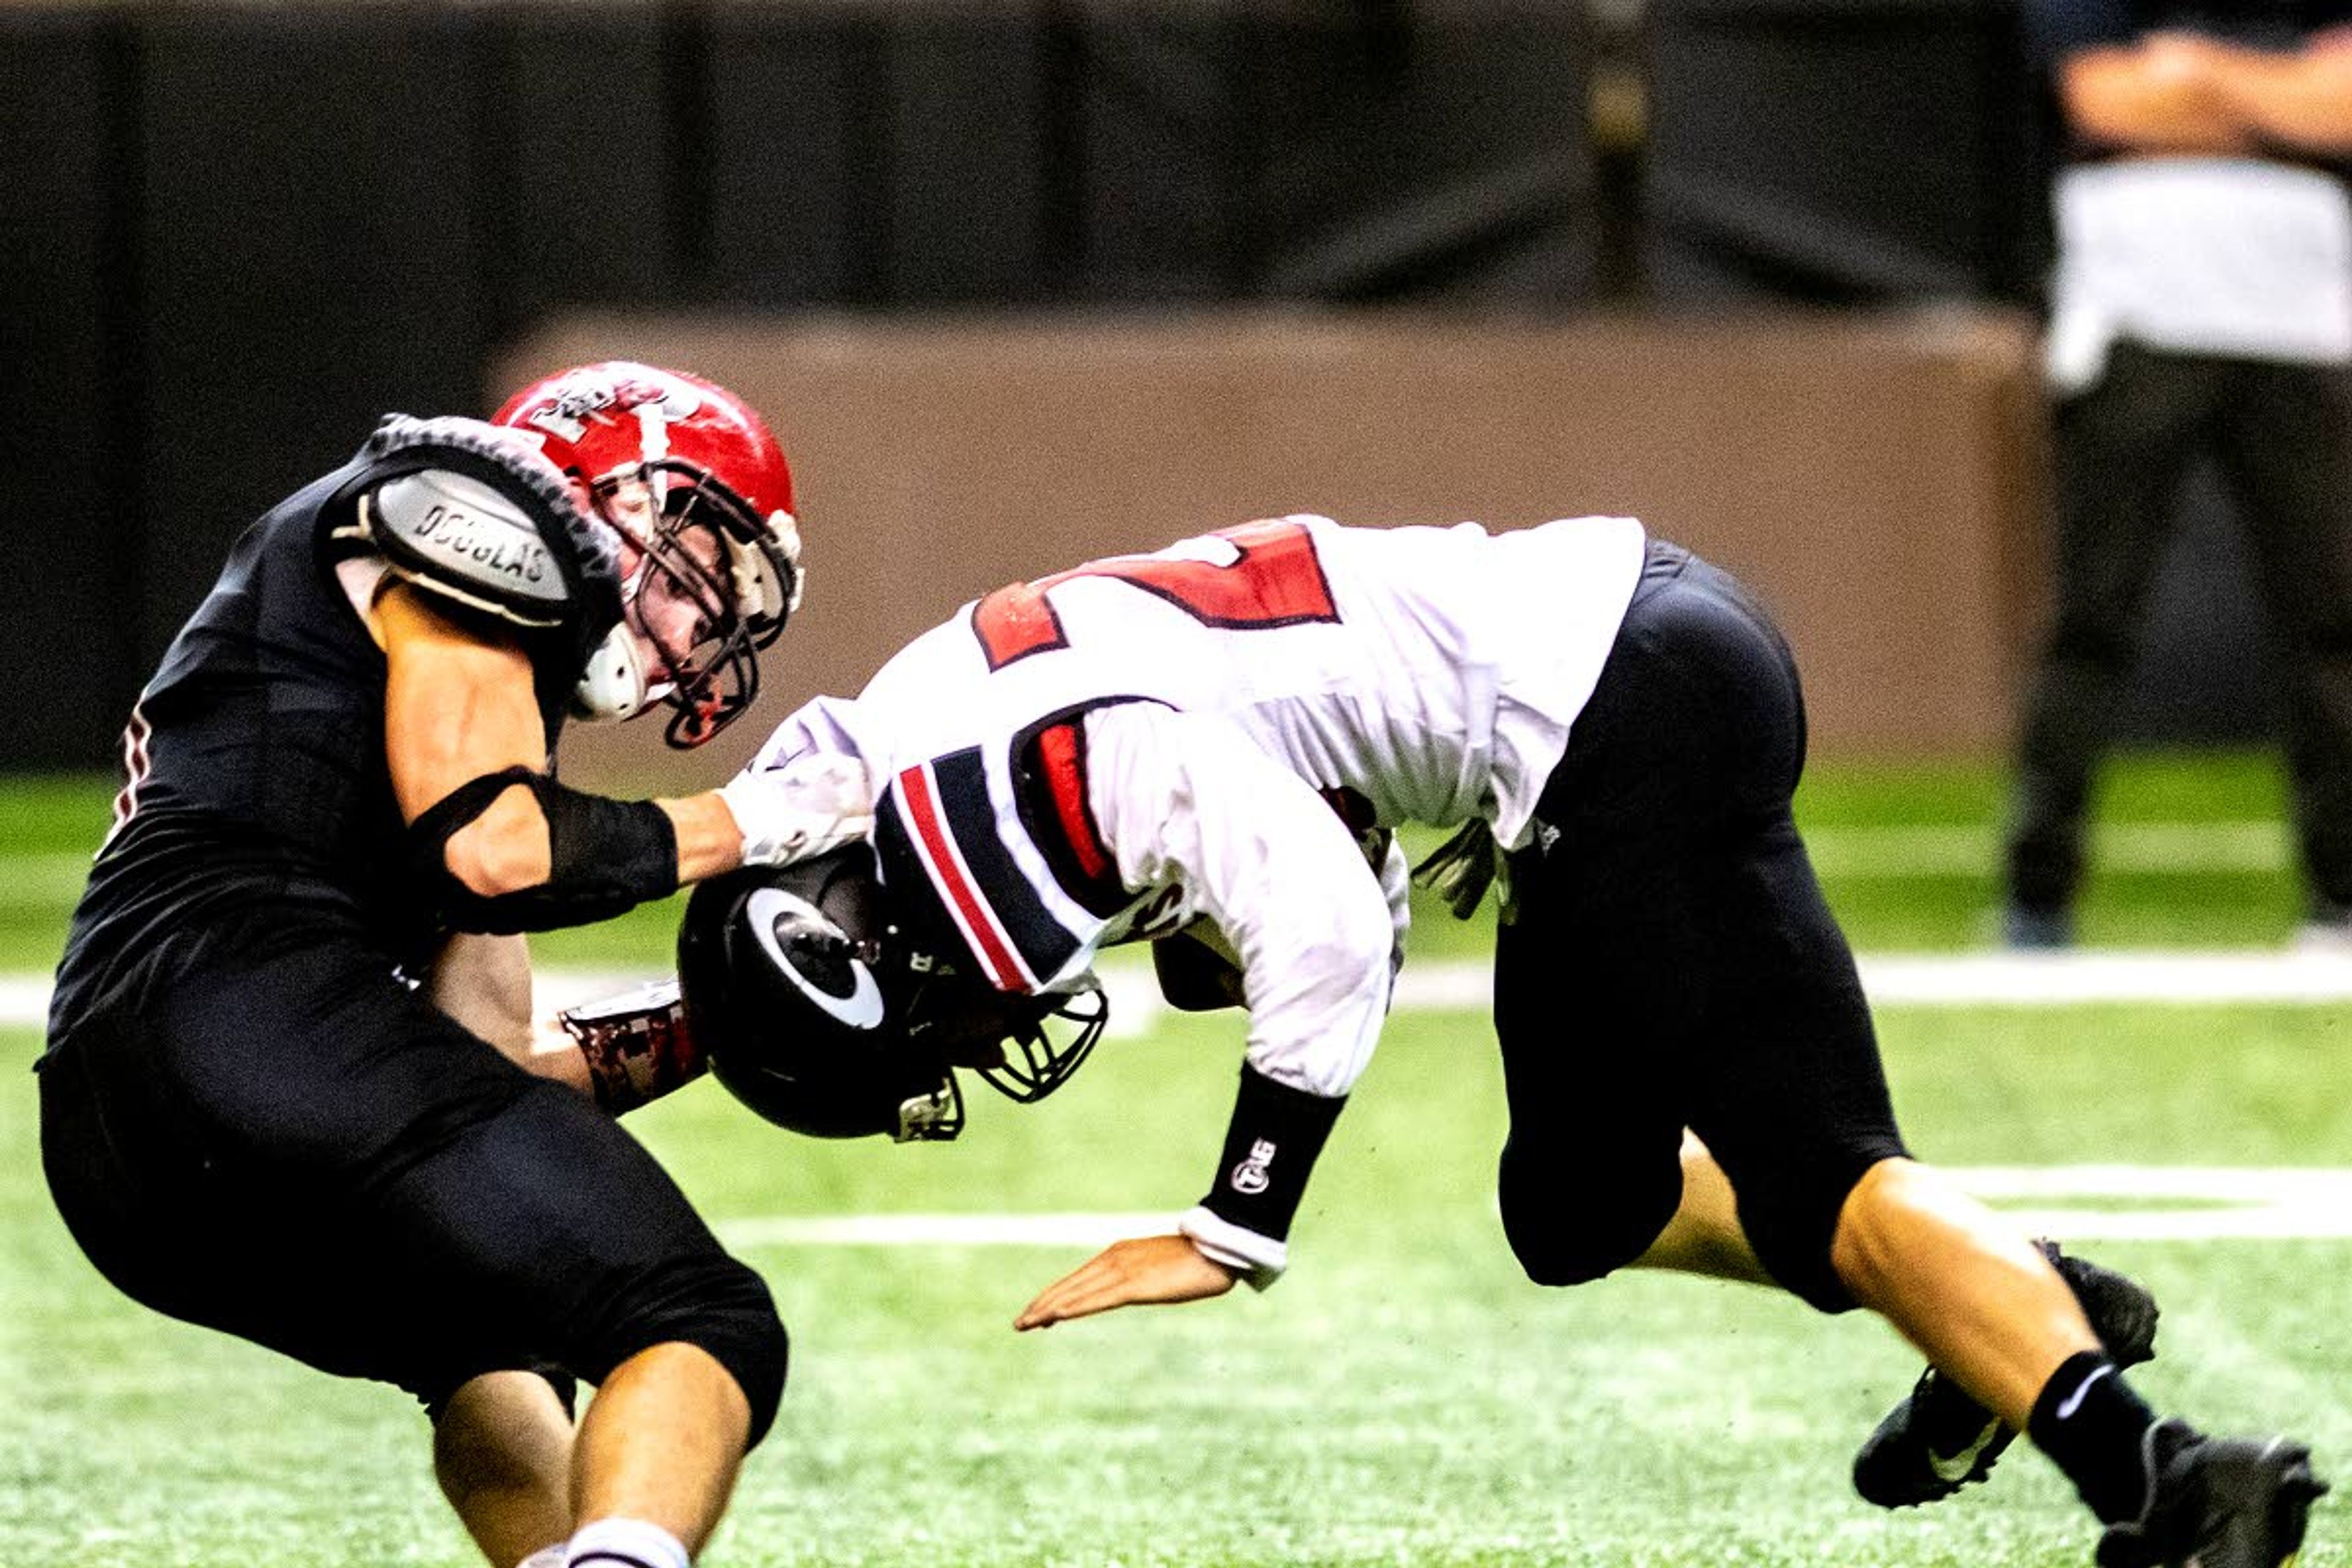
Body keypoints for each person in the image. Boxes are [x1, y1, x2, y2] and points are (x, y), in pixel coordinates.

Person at [654, 513, 2322, 1566]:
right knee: (1577, 1204)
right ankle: (2001, 1308)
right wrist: (603, 1044)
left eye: (923, 1034)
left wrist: (1234, 1222)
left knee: (1819, 1178)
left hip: (1614, 708)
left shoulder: (1013, 806)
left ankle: (2156, 1474)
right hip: (1616, 677)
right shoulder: (888, 755)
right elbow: (753, 839)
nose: (963, 1040)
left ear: (871, 933)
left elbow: (1317, 918)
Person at [37, 361, 875, 1568]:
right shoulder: (480, 496)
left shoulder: (449, 675)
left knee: (491, 1340)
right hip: (250, 1006)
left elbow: (493, 1065)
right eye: (697, 569)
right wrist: (775, 814)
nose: (694, 635)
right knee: (698, 1313)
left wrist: (727, 1016)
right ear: (607, 478)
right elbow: (498, 845)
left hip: (127, 1137)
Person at [2002, 0, 2352, 948]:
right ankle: (2037, 897)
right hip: (2138, 313)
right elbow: (2105, 101)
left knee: (2330, 622)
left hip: (2302, 322)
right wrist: (2273, 92)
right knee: (2094, 615)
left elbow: (2343, 108)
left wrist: (2198, 72)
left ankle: (2343, 899)